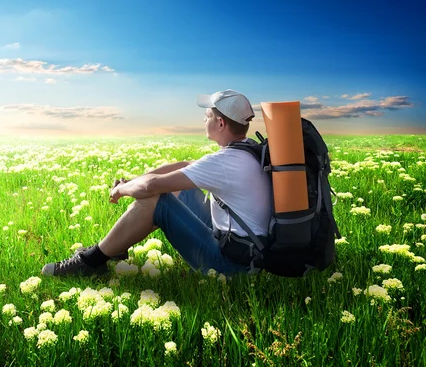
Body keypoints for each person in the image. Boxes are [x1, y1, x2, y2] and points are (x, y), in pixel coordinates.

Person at [41, 89, 272, 277]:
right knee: (179, 189)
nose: (204, 119)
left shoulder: (223, 162)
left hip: (232, 267)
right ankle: (115, 247)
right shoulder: (247, 150)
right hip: (247, 251)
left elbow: (151, 188)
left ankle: (91, 261)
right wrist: (137, 180)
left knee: (155, 199)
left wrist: (122, 189)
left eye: (208, 116)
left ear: (220, 123)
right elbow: (184, 164)